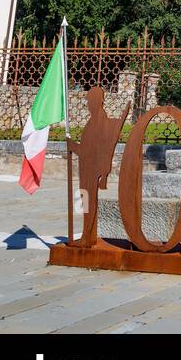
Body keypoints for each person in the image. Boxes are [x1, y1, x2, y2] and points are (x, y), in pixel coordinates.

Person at [67, 87, 130, 246]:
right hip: (86, 169)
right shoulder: (95, 120)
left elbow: (89, 151)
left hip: (91, 170)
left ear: (97, 101)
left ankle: (86, 235)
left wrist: (71, 145)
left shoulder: (98, 122)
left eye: (89, 101)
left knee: (87, 202)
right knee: (83, 201)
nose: (87, 104)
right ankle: (86, 234)